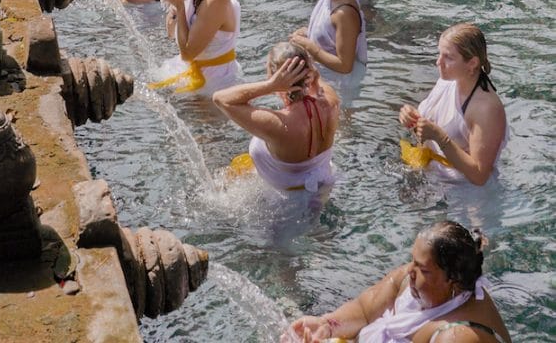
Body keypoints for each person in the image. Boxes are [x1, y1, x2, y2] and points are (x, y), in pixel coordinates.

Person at [288, 220, 511, 342]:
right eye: (413, 261)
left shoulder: (457, 337)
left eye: (422, 269)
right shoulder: (411, 280)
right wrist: (327, 325)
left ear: (452, 280)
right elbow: (364, 310)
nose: (410, 271)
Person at [213, 41, 339, 192]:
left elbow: (220, 98)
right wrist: (315, 78)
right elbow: (316, 81)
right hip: (324, 187)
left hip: (285, 202)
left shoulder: (279, 124)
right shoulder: (331, 102)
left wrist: (269, 86)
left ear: (274, 77)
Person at [399, 24, 508, 186]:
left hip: (465, 193)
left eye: (448, 57)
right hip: (432, 177)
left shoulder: (486, 109)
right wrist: (411, 118)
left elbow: (480, 176)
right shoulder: (448, 81)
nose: (438, 62)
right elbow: (427, 127)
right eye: (439, 54)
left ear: (472, 63)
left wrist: (440, 137)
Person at [150, 0, 241, 95]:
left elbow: (187, 54)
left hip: (218, 77)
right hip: (190, 67)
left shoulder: (215, 1)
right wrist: (173, 4)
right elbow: (171, 33)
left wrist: (180, 7)